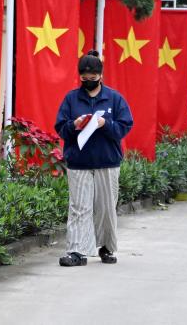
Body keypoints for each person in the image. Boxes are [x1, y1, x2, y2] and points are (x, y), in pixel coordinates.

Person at [54, 50, 133, 266]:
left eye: (93, 78)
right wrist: (74, 124)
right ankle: (76, 251)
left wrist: (105, 124)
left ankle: (106, 247)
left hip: (107, 161)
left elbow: (125, 126)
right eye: (84, 78)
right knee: (79, 207)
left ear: (101, 75)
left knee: (106, 207)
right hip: (78, 162)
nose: (89, 81)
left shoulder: (114, 99)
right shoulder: (71, 99)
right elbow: (60, 127)